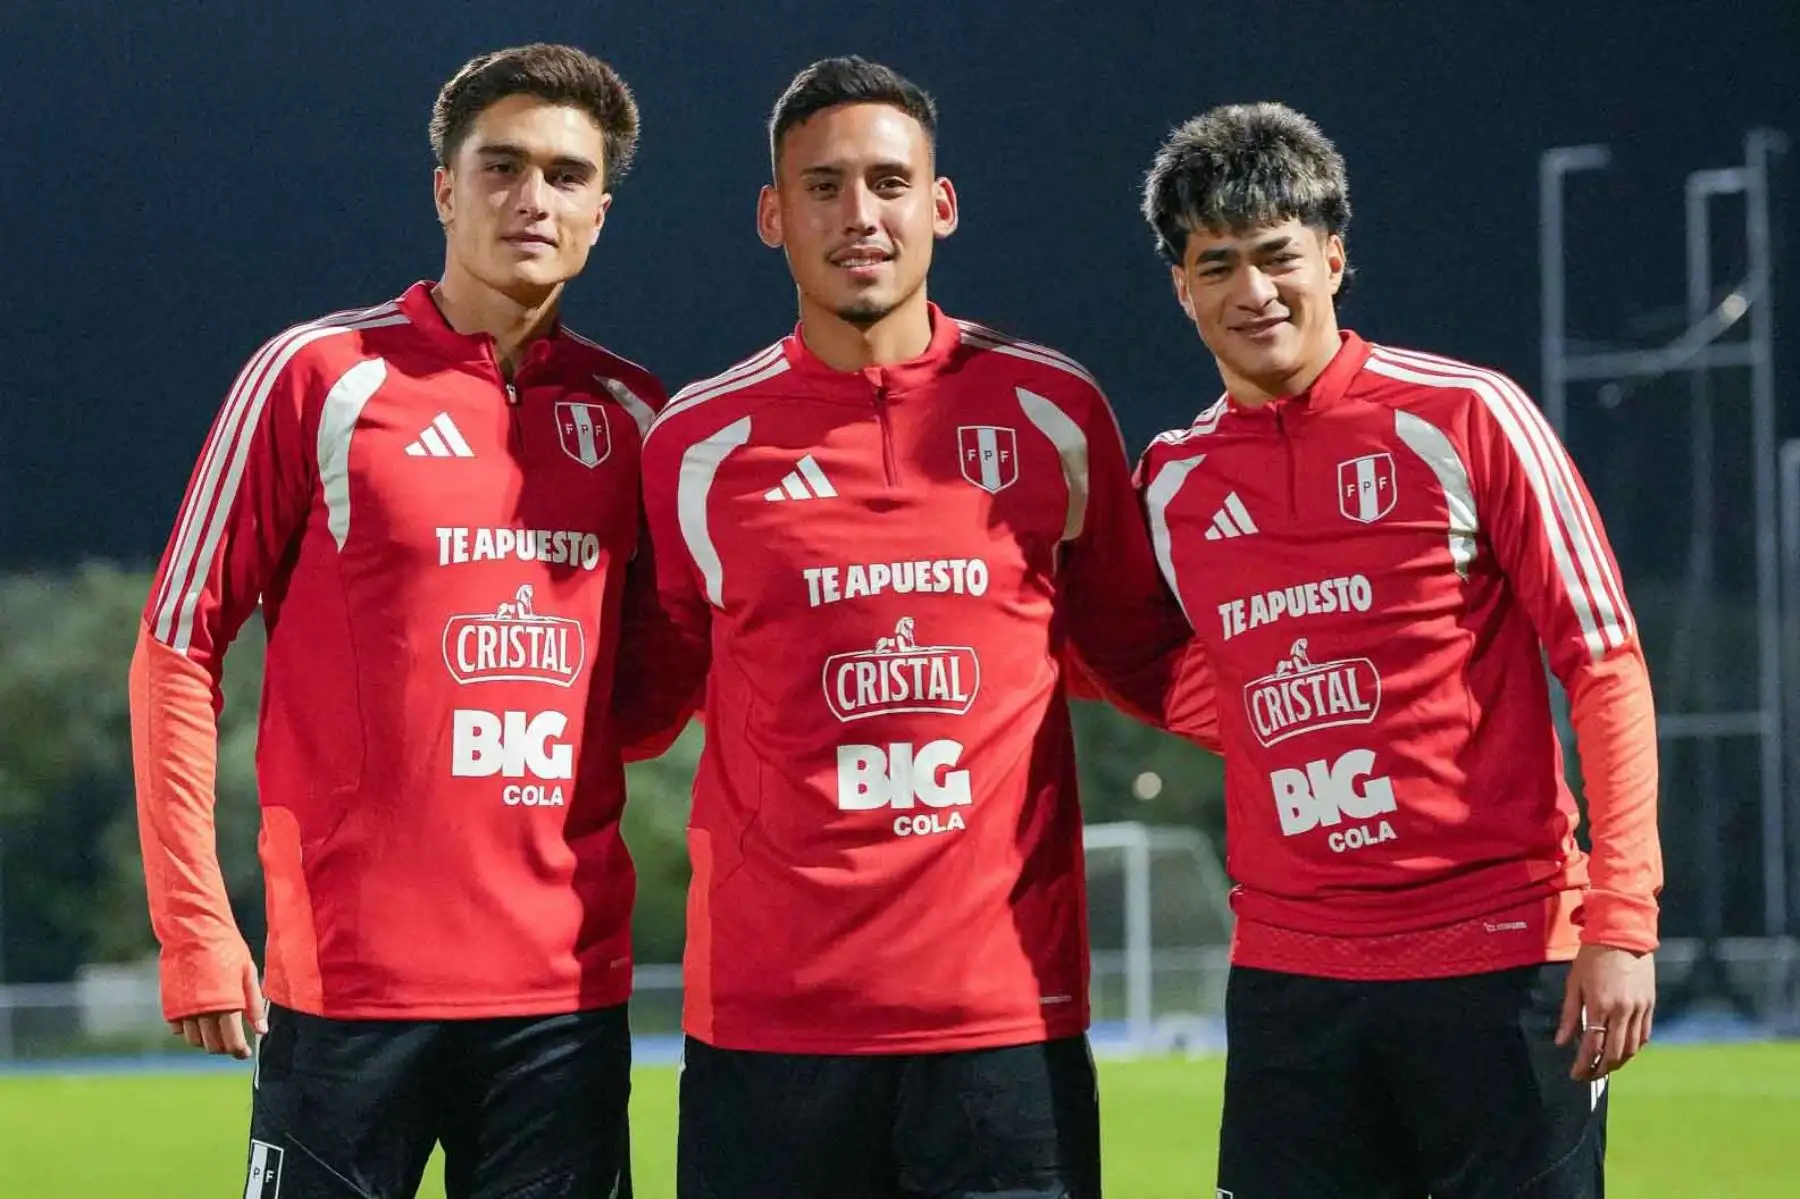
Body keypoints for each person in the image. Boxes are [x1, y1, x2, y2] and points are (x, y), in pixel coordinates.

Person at [638, 56, 1193, 1199]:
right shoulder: (694, 446)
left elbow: (1140, 654)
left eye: (889, 183)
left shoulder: (1054, 412)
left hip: (1003, 1023)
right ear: (772, 214)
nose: (859, 216)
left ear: (939, 205)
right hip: (767, 1031)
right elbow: (643, 695)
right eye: (824, 186)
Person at [129, 43, 674, 1198]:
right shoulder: (318, 376)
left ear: (601, 213)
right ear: (444, 187)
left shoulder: (638, 418)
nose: (534, 198)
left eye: (568, 176)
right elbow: (179, 642)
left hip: (560, 1001)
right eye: (503, 165)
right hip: (347, 990)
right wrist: (194, 923)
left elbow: (646, 697)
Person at [1133, 102, 1663, 1198]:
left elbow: (1603, 662)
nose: (1253, 292)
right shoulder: (1172, 483)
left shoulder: (1468, 416)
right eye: (1215, 264)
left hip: (1505, 964)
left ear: (1333, 253)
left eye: (1278, 255)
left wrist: (1622, 918)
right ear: (1182, 287)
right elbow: (1137, 656)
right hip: (1290, 979)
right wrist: (1274, 710)